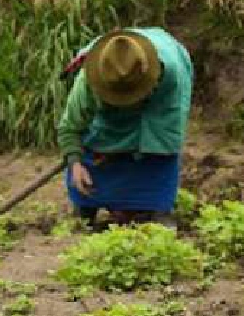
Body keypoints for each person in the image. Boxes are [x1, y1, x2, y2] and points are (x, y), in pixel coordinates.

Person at [58, 27, 194, 229]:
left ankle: (157, 207)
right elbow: (70, 127)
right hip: (106, 121)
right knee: (96, 142)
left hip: (160, 103)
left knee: (159, 143)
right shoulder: (91, 78)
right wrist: (75, 162)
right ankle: (87, 206)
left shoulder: (171, 73)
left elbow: (168, 132)